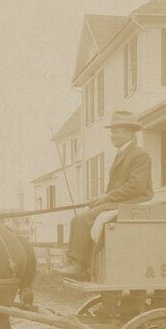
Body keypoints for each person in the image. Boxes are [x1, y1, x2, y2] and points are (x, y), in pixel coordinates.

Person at [55, 110, 153, 279]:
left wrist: (107, 197)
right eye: (112, 131)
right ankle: (74, 262)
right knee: (75, 219)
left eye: (116, 131)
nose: (112, 135)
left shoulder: (139, 155)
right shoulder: (121, 154)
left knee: (85, 219)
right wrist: (100, 199)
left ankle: (80, 266)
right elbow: (117, 186)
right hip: (120, 199)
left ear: (129, 132)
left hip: (134, 200)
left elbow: (136, 187)